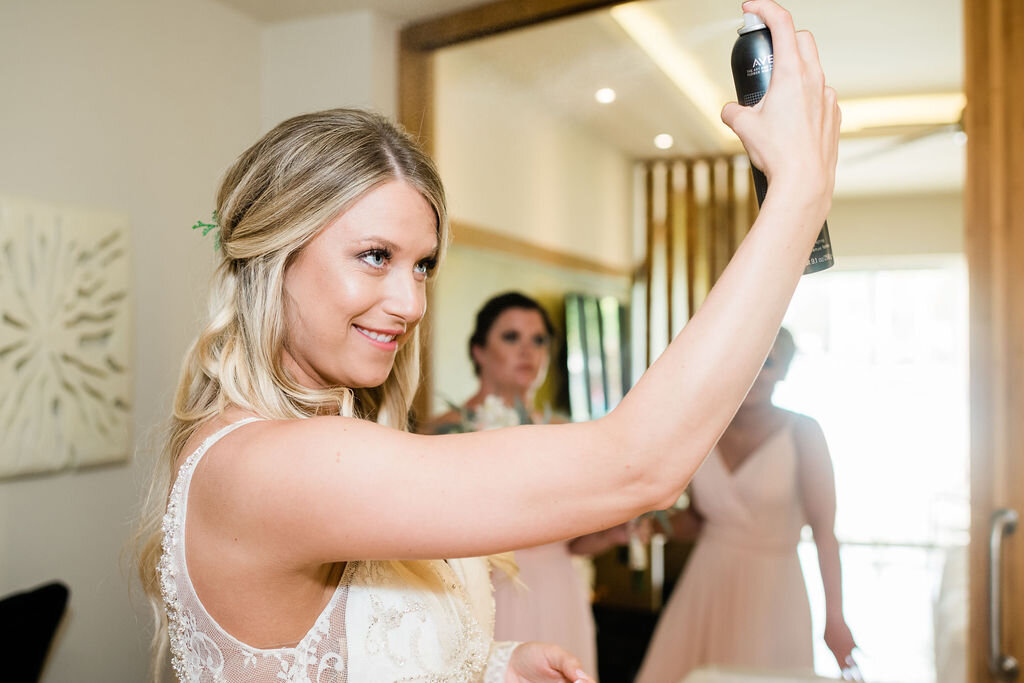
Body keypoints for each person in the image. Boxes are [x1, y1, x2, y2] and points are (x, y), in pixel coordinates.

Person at [133, 2, 841, 679]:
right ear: (272, 256)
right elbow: (638, 465)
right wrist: (798, 195)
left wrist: (485, 662)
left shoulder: (313, 437)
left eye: (424, 265)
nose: (411, 303)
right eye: (375, 255)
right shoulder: (271, 464)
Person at [429, 292, 635, 679]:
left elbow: (575, 541)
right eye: (511, 337)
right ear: (478, 350)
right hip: (485, 594)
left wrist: (616, 533)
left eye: (538, 340)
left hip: (559, 592)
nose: (527, 351)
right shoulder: (443, 433)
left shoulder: (568, 435)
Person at [634, 328, 858, 682]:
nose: (753, 374)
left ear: (784, 370)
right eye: (743, 362)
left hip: (773, 590)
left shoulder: (803, 432)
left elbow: (824, 534)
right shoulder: (702, 431)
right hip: (706, 584)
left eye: (766, 363)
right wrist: (649, 523)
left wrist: (836, 617)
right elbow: (697, 518)